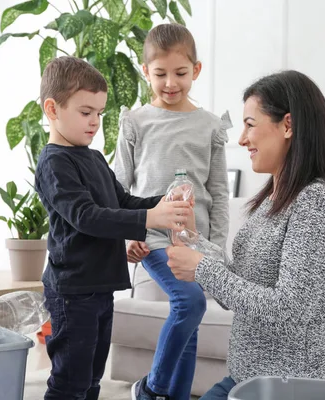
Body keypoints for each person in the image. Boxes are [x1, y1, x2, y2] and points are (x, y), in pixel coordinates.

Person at [166, 70, 325, 399]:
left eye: (250, 124)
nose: (241, 139)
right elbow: (238, 293)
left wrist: (201, 268)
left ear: (287, 125)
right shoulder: (272, 199)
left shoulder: (318, 203)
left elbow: (291, 311)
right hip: (248, 379)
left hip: (298, 386)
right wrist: (193, 239)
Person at [34, 56, 192, 400]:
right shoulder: (54, 162)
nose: (94, 122)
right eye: (85, 112)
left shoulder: (92, 158)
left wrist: (162, 203)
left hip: (101, 286)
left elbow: (122, 202)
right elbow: (87, 216)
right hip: (72, 291)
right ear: (52, 109)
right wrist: (150, 219)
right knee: (69, 382)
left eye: (99, 114)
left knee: (92, 380)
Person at [113, 23, 231, 400]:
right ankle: (151, 388)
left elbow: (219, 193)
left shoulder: (211, 126)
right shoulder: (134, 122)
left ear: (196, 70)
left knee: (191, 322)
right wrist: (127, 235)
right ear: (145, 71)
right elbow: (118, 187)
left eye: (180, 73)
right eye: (160, 73)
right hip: (152, 236)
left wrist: (214, 248)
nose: (170, 83)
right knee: (190, 302)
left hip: (196, 242)